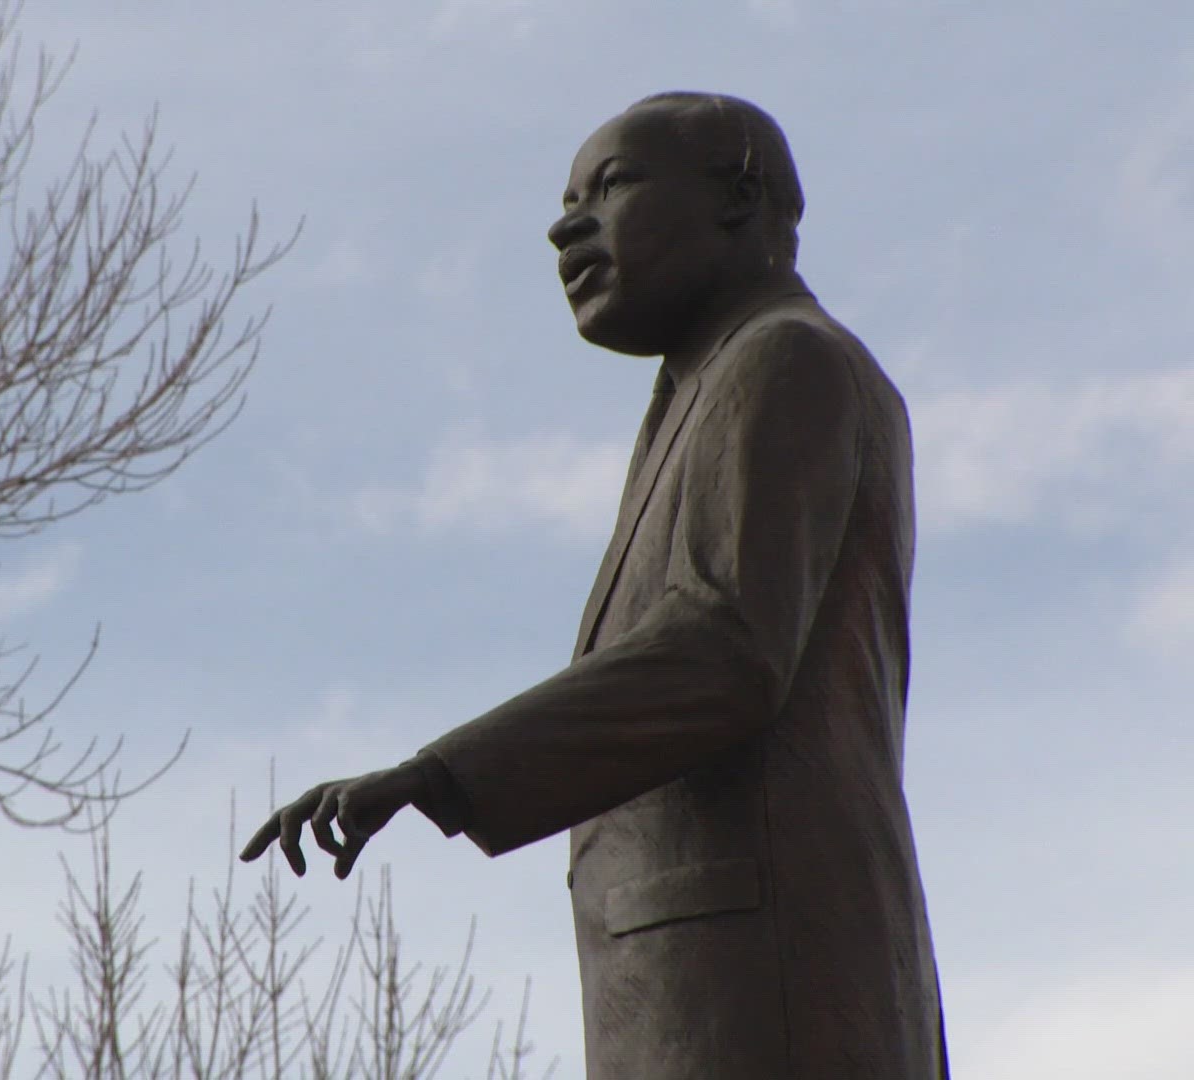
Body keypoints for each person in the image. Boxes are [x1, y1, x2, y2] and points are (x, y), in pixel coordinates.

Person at [240, 92, 948, 1079]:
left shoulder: (784, 359)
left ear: (739, 198)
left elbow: (726, 651)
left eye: (610, 187)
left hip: (767, 976)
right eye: (569, 198)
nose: (565, 225)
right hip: (708, 971)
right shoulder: (706, 390)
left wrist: (440, 773)